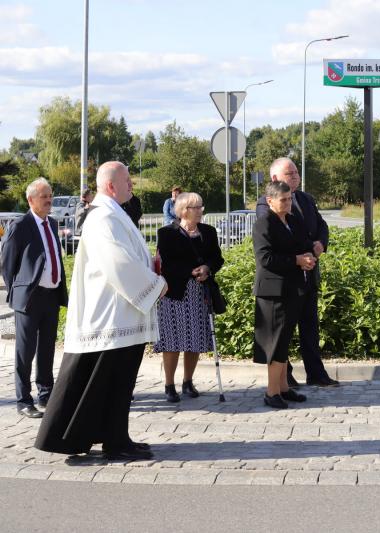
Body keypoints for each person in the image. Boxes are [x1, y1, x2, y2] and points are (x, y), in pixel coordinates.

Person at [35, 161, 167, 460]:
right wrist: (156, 285)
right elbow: (118, 262)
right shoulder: (103, 217)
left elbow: (130, 257)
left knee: (118, 384)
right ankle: (113, 442)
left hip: (122, 314)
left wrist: (152, 269)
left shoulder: (113, 213)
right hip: (110, 317)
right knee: (109, 384)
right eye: (127, 180)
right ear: (110, 185)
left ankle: (117, 438)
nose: (132, 184)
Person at [256, 157, 338, 387]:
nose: (295, 176)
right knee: (284, 331)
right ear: (275, 178)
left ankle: (316, 373)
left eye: (296, 172)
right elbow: (279, 238)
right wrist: (303, 254)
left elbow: (321, 225)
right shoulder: (266, 204)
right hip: (287, 276)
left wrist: (320, 243)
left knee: (310, 326)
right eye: (289, 173)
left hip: (309, 272)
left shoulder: (306, 198)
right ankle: (284, 378)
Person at [1, 178, 68, 418]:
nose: (49, 200)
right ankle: (23, 400)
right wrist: (18, 290)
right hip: (29, 298)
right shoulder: (20, 226)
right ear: (31, 200)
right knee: (25, 351)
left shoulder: (52, 223)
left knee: (47, 348)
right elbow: (7, 264)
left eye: (50, 195)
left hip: (51, 296)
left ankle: (46, 394)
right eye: (44, 196)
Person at [154, 192, 224, 403]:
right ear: (184, 211)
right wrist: (190, 271)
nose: (201, 211)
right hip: (174, 293)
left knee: (195, 339)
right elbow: (166, 264)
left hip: (199, 293)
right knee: (172, 341)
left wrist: (207, 268)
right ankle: (169, 385)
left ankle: (188, 381)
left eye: (201, 207)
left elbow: (217, 258)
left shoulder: (208, 231)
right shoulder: (166, 233)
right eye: (197, 207)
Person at [253, 180, 316, 408]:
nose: (288, 203)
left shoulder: (292, 220)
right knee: (275, 342)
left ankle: (283, 388)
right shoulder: (264, 223)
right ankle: (271, 393)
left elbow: (304, 243)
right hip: (273, 292)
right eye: (283, 200)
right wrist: (296, 260)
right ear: (270, 201)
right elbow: (265, 258)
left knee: (284, 339)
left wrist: (308, 256)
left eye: (289, 199)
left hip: (293, 288)